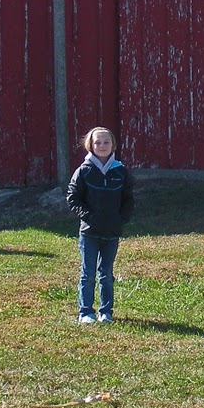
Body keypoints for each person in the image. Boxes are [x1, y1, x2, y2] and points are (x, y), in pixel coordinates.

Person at [66, 128, 134, 324]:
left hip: (112, 232)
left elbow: (128, 199)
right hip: (89, 232)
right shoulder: (84, 171)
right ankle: (86, 312)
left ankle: (106, 312)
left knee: (106, 274)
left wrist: (121, 219)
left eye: (106, 142)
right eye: (97, 143)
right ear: (90, 145)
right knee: (88, 274)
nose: (102, 146)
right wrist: (88, 217)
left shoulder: (120, 171)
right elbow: (73, 198)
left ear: (113, 145)